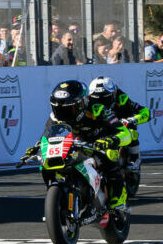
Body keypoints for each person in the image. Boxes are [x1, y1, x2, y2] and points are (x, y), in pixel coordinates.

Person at [37, 79, 128, 213]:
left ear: (82, 103)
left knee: (110, 155)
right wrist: (37, 147)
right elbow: (46, 135)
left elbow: (124, 132)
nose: (63, 114)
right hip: (74, 146)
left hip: (98, 145)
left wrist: (111, 140)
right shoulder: (55, 117)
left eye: (69, 109)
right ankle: (61, 196)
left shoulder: (97, 110)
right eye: (59, 109)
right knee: (44, 162)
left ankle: (118, 201)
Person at [87, 75, 150, 180]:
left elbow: (145, 112)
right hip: (102, 127)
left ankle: (134, 159)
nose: (101, 102)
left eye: (105, 98)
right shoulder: (88, 103)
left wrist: (131, 120)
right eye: (96, 98)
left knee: (132, 132)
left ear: (113, 94)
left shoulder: (122, 99)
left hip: (121, 126)